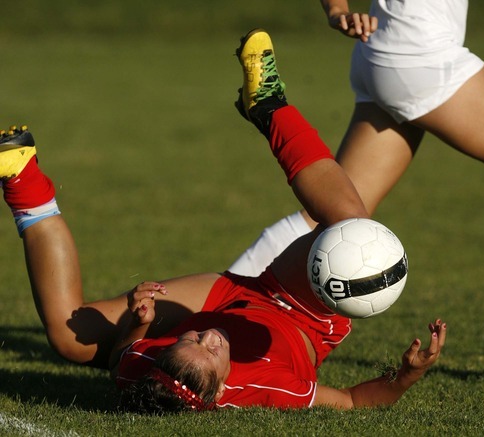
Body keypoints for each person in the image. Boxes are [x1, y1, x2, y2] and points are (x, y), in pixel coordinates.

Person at [0, 29, 446, 413]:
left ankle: (21, 176)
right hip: (300, 312)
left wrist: (139, 320)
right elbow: (351, 401)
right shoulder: (266, 387)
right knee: (352, 227)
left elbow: (123, 358)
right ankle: (269, 105)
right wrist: (406, 376)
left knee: (67, 336)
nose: (207, 338)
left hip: (229, 296)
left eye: (188, 341)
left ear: (165, 352)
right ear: (220, 390)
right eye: (211, 353)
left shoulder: (146, 371)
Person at [229, 0, 484, 278]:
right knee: (336, 215)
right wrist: (337, 11)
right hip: (421, 53)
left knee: (335, 215)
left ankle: (220, 303)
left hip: (396, 49)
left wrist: (337, 11)